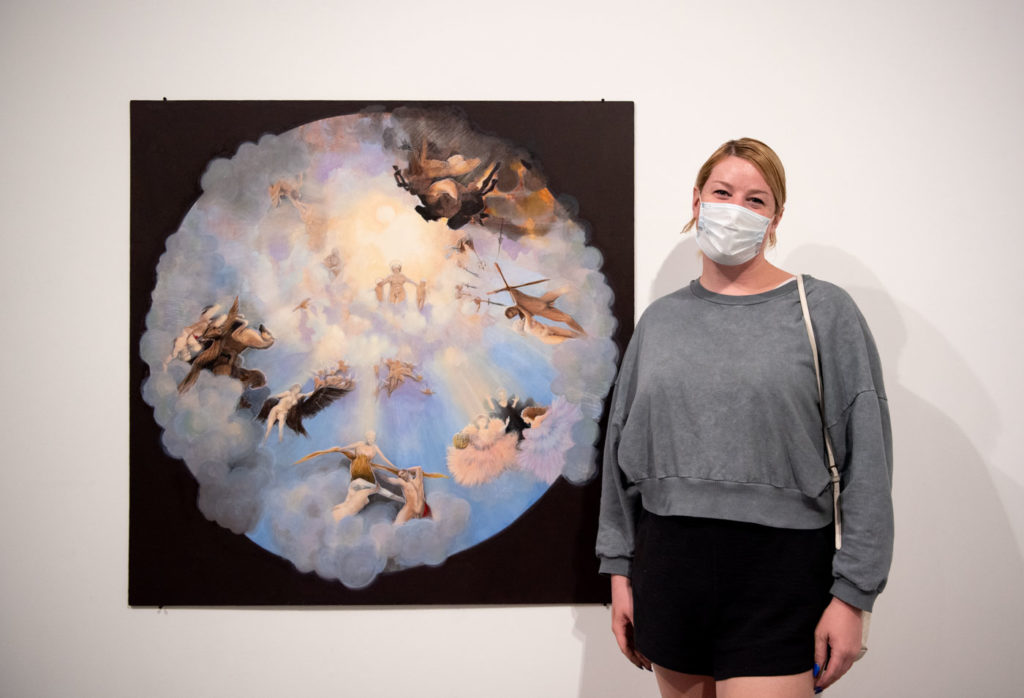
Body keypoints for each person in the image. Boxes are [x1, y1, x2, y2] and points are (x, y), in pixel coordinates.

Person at [596, 138, 893, 698]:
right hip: (669, 565)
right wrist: (619, 572)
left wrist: (854, 595)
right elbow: (620, 459)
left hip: (778, 573)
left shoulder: (821, 311)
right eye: (723, 192)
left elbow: (868, 462)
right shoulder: (660, 322)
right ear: (697, 200)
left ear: (776, 217)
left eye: (756, 200)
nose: (736, 208)